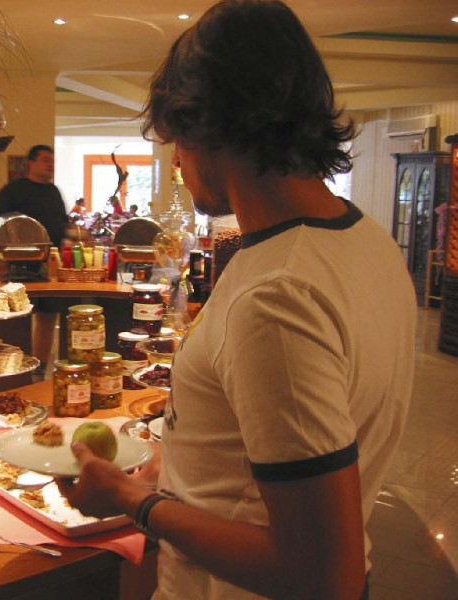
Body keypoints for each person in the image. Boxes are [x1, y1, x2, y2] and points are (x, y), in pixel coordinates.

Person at [56, 2, 417, 600]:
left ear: (205, 127)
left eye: (177, 139)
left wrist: (133, 499)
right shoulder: (364, 240)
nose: (177, 160)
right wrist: (179, 472)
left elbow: (323, 577)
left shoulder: (277, 296)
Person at [0, 145, 68, 375]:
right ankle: (15, 369)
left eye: (52, 160)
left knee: (48, 317)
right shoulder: (12, 191)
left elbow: (62, 225)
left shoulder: (54, 192)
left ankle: (39, 367)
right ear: (31, 163)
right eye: (45, 159)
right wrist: (1, 268)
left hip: (48, 267)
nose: (50, 164)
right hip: (17, 266)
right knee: (18, 319)